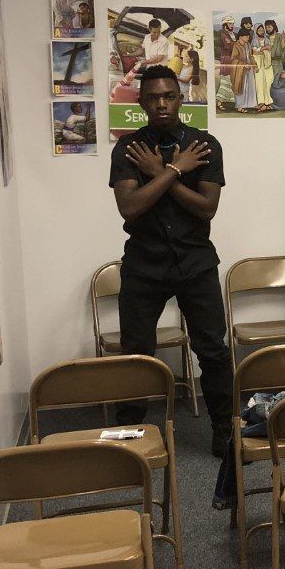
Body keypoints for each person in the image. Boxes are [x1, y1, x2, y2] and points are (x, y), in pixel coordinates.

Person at [108, 65, 233, 459]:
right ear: (142, 102)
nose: (161, 104)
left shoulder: (204, 145)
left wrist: (159, 175)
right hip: (144, 264)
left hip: (195, 263)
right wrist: (177, 170)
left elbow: (207, 208)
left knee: (212, 350)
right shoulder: (128, 149)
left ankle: (225, 431)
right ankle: (130, 439)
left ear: (180, 99)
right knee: (137, 354)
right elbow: (130, 208)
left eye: (168, 96)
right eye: (152, 98)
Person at [253, 22, 275, 110]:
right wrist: (263, 49)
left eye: (262, 30)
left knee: (268, 81)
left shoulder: (266, 39)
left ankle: (267, 102)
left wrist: (263, 49)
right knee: (259, 82)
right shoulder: (253, 40)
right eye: (259, 30)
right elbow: (254, 51)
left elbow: (269, 48)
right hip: (258, 62)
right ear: (256, 31)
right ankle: (260, 102)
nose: (261, 31)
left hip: (266, 63)